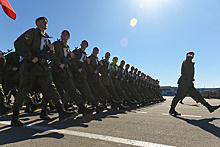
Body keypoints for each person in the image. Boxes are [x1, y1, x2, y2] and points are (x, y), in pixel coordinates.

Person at [12, 17, 78, 127]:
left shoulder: (48, 40)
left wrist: (51, 51)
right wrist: (30, 57)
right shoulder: (32, 33)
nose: (45, 22)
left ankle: (61, 112)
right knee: (23, 91)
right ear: (37, 23)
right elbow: (18, 44)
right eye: (43, 21)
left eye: (46, 21)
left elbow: (50, 57)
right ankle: (15, 117)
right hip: (31, 67)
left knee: (51, 89)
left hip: (43, 68)